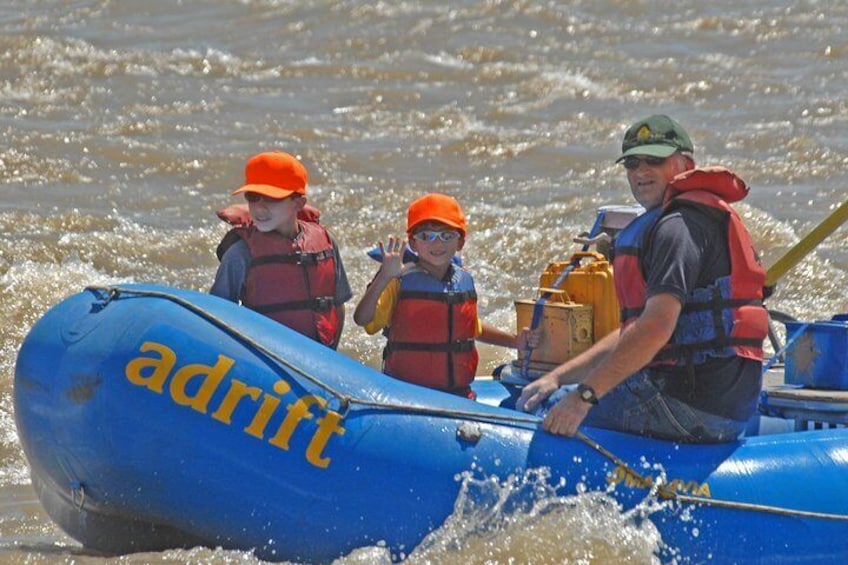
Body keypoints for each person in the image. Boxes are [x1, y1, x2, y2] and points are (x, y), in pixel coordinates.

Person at [518, 115, 769, 443]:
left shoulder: (676, 227)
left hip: (686, 403)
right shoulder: (689, 218)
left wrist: (582, 398)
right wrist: (558, 377)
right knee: (548, 392)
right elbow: (636, 331)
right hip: (725, 407)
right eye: (632, 163)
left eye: (655, 160)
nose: (641, 172)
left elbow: (654, 329)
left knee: (533, 411)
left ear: (686, 163)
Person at [354, 192, 539, 399]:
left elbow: (472, 328)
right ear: (413, 244)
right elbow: (362, 319)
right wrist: (383, 279)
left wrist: (515, 342)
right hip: (406, 394)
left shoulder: (463, 281)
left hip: (457, 395)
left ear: (460, 243)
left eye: (447, 236)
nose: (437, 244)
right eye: (426, 236)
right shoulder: (398, 279)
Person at [211, 151, 352, 350]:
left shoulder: (326, 243)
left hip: (316, 361)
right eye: (253, 197)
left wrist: (331, 356)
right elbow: (217, 315)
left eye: (271, 198)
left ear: (299, 203)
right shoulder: (240, 253)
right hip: (264, 359)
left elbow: (337, 305)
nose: (260, 208)